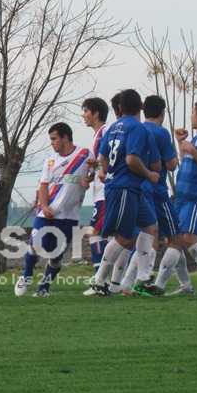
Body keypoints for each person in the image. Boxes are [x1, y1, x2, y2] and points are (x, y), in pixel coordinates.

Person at [89, 89, 161, 296]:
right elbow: (131, 159)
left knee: (150, 227)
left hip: (130, 188)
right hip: (124, 188)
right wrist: (149, 173)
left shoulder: (113, 127)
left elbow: (102, 157)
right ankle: (99, 280)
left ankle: (143, 278)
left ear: (120, 107)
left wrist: (105, 171)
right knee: (124, 238)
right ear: (140, 107)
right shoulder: (137, 128)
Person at [152, 100, 197, 295]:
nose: (191, 116)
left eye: (193, 112)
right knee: (174, 239)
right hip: (182, 196)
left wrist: (193, 150)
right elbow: (188, 163)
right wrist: (182, 145)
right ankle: (186, 285)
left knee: (186, 238)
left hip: (196, 196)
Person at [15, 123, 92, 297]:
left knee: (56, 256)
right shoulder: (50, 160)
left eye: (54, 139)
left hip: (69, 216)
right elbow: (43, 185)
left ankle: (44, 288)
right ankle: (26, 275)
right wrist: (44, 206)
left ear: (65, 137)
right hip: (46, 213)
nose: (52, 143)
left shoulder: (84, 154)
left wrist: (88, 179)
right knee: (36, 244)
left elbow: (93, 173)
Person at [119, 95, 185, 296]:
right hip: (157, 191)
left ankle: (127, 284)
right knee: (176, 239)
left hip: (137, 190)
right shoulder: (160, 132)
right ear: (162, 113)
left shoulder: (135, 129)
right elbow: (171, 165)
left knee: (146, 238)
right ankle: (157, 284)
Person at [80, 97, 110, 296]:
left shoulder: (105, 132)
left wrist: (96, 168)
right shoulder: (97, 135)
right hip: (100, 193)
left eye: (86, 111)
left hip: (105, 193)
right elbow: (100, 164)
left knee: (95, 233)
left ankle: (101, 279)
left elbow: (108, 161)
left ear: (96, 113)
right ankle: (108, 279)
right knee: (116, 237)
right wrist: (90, 175)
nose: (83, 115)